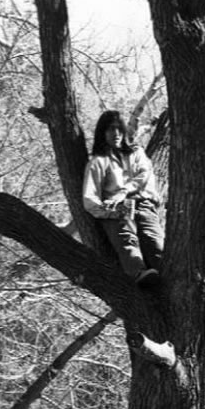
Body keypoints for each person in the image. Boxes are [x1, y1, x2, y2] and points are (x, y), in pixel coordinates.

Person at [82, 110, 164, 286]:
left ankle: (165, 278)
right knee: (127, 243)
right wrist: (109, 211)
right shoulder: (98, 162)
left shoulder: (136, 152)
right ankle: (140, 275)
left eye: (119, 128)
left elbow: (144, 174)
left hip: (144, 204)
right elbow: (89, 199)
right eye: (111, 129)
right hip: (118, 210)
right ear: (102, 133)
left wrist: (125, 190)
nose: (116, 133)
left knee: (156, 245)